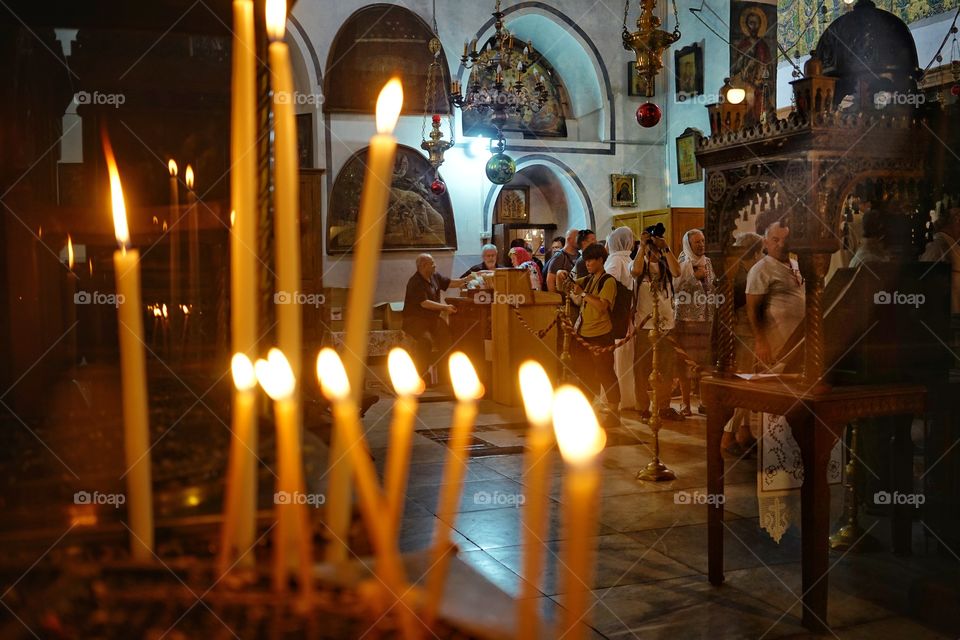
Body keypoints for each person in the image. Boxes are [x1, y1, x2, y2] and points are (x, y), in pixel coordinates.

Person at [556, 243, 620, 420]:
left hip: (601, 335)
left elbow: (601, 306)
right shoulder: (589, 279)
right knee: (586, 374)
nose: (588, 263)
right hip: (584, 334)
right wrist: (561, 275)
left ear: (601, 260)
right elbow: (565, 286)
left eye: (591, 260)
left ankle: (614, 412)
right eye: (586, 260)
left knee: (606, 373)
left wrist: (583, 294)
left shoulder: (608, 281)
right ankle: (588, 409)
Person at [631, 225, 684, 422]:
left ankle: (663, 406)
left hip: (666, 324)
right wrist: (642, 246)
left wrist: (666, 247)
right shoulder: (640, 263)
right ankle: (643, 406)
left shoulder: (665, 263)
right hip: (645, 324)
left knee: (667, 368)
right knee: (642, 368)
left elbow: (677, 272)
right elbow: (635, 271)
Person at [721, 231, 763, 456]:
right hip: (744, 331)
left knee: (749, 383)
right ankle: (729, 435)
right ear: (756, 252)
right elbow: (742, 303)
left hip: (744, 331)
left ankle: (744, 432)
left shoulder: (743, 270)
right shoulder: (742, 274)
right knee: (744, 385)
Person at [403, 254, 469, 380]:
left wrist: (466, 279)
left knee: (448, 336)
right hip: (414, 320)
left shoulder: (435, 276)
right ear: (423, 266)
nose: (435, 265)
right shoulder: (415, 282)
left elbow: (450, 283)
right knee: (425, 340)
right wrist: (444, 307)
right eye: (432, 263)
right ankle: (421, 375)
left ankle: (445, 374)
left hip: (432, 319)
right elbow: (425, 303)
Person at [673, 229, 715, 416]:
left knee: (704, 362)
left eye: (703, 241)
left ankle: (704, 401)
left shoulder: (709, 262)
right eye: (697, 242)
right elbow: (674, 289)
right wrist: (692, 278)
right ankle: (685, 403)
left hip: (707, 319)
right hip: (686, 320)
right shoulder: (682, 263)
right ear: (689, 244)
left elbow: (713, 285)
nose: (701, 244)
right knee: (685, 363)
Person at [604, 226, 636, 412]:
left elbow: (608, 284)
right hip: (627, 313)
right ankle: (626, 396)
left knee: (617, 357)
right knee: (625, 356)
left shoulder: (615, 260)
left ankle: (617, 397)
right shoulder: (629, 259)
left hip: (616, 314)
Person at [921, 206, 960, 314]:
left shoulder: (951, 244)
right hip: (949, 315)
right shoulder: (939, 246)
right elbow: (926, 279)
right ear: (957, 220)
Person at [546, 228, 580, 293]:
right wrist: (556, 300)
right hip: (564, 297)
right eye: (578, 238)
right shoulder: (559, 256)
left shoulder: (579, 256)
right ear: (569, 239)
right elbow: (550, 280)